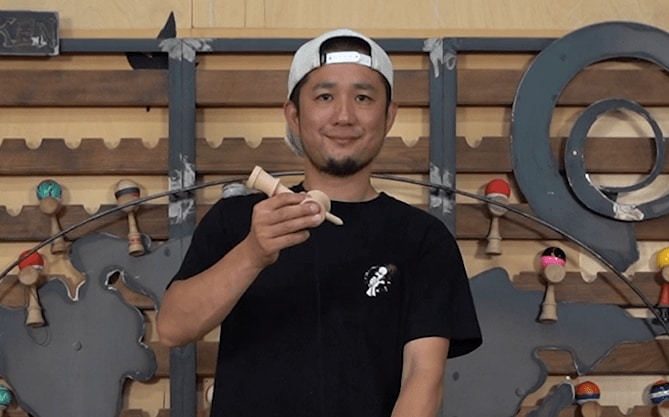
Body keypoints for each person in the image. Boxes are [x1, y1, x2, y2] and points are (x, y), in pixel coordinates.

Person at [157, 28, 482, 417]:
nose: (344, 116)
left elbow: (423, 377)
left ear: (389, 116)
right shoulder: (240, 220)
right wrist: (252, 254)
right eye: (325, 97)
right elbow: (172, 328)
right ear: (294, 115)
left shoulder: (422, 239)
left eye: (363, 98)